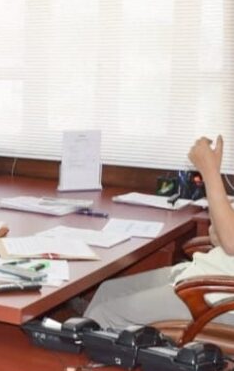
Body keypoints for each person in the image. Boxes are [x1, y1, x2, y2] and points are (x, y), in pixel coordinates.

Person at [85, 135, 234, 330]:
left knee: (104, 314)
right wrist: (210, 174)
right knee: (108, 291)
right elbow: (217, 236)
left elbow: (230, 242)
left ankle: (86, 348)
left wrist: (210, 172)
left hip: (220, 298)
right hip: (207, 277)